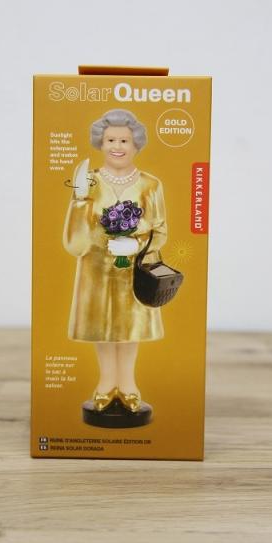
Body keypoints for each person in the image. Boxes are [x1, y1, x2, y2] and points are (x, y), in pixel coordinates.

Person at [63, 109, 167, 414]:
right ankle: (106, 385)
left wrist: (136, 243)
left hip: (134, 272)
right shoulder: (89, 182)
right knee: (104, 329)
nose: (117, 146)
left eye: (124, 140)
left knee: (129, 330)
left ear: (136, 145)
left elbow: (161, 231)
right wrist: (80, 202)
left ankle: (129, 385)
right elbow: (74, 244)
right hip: (96, 271)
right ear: (101, 142)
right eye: (111, 140)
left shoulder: (150, 185)